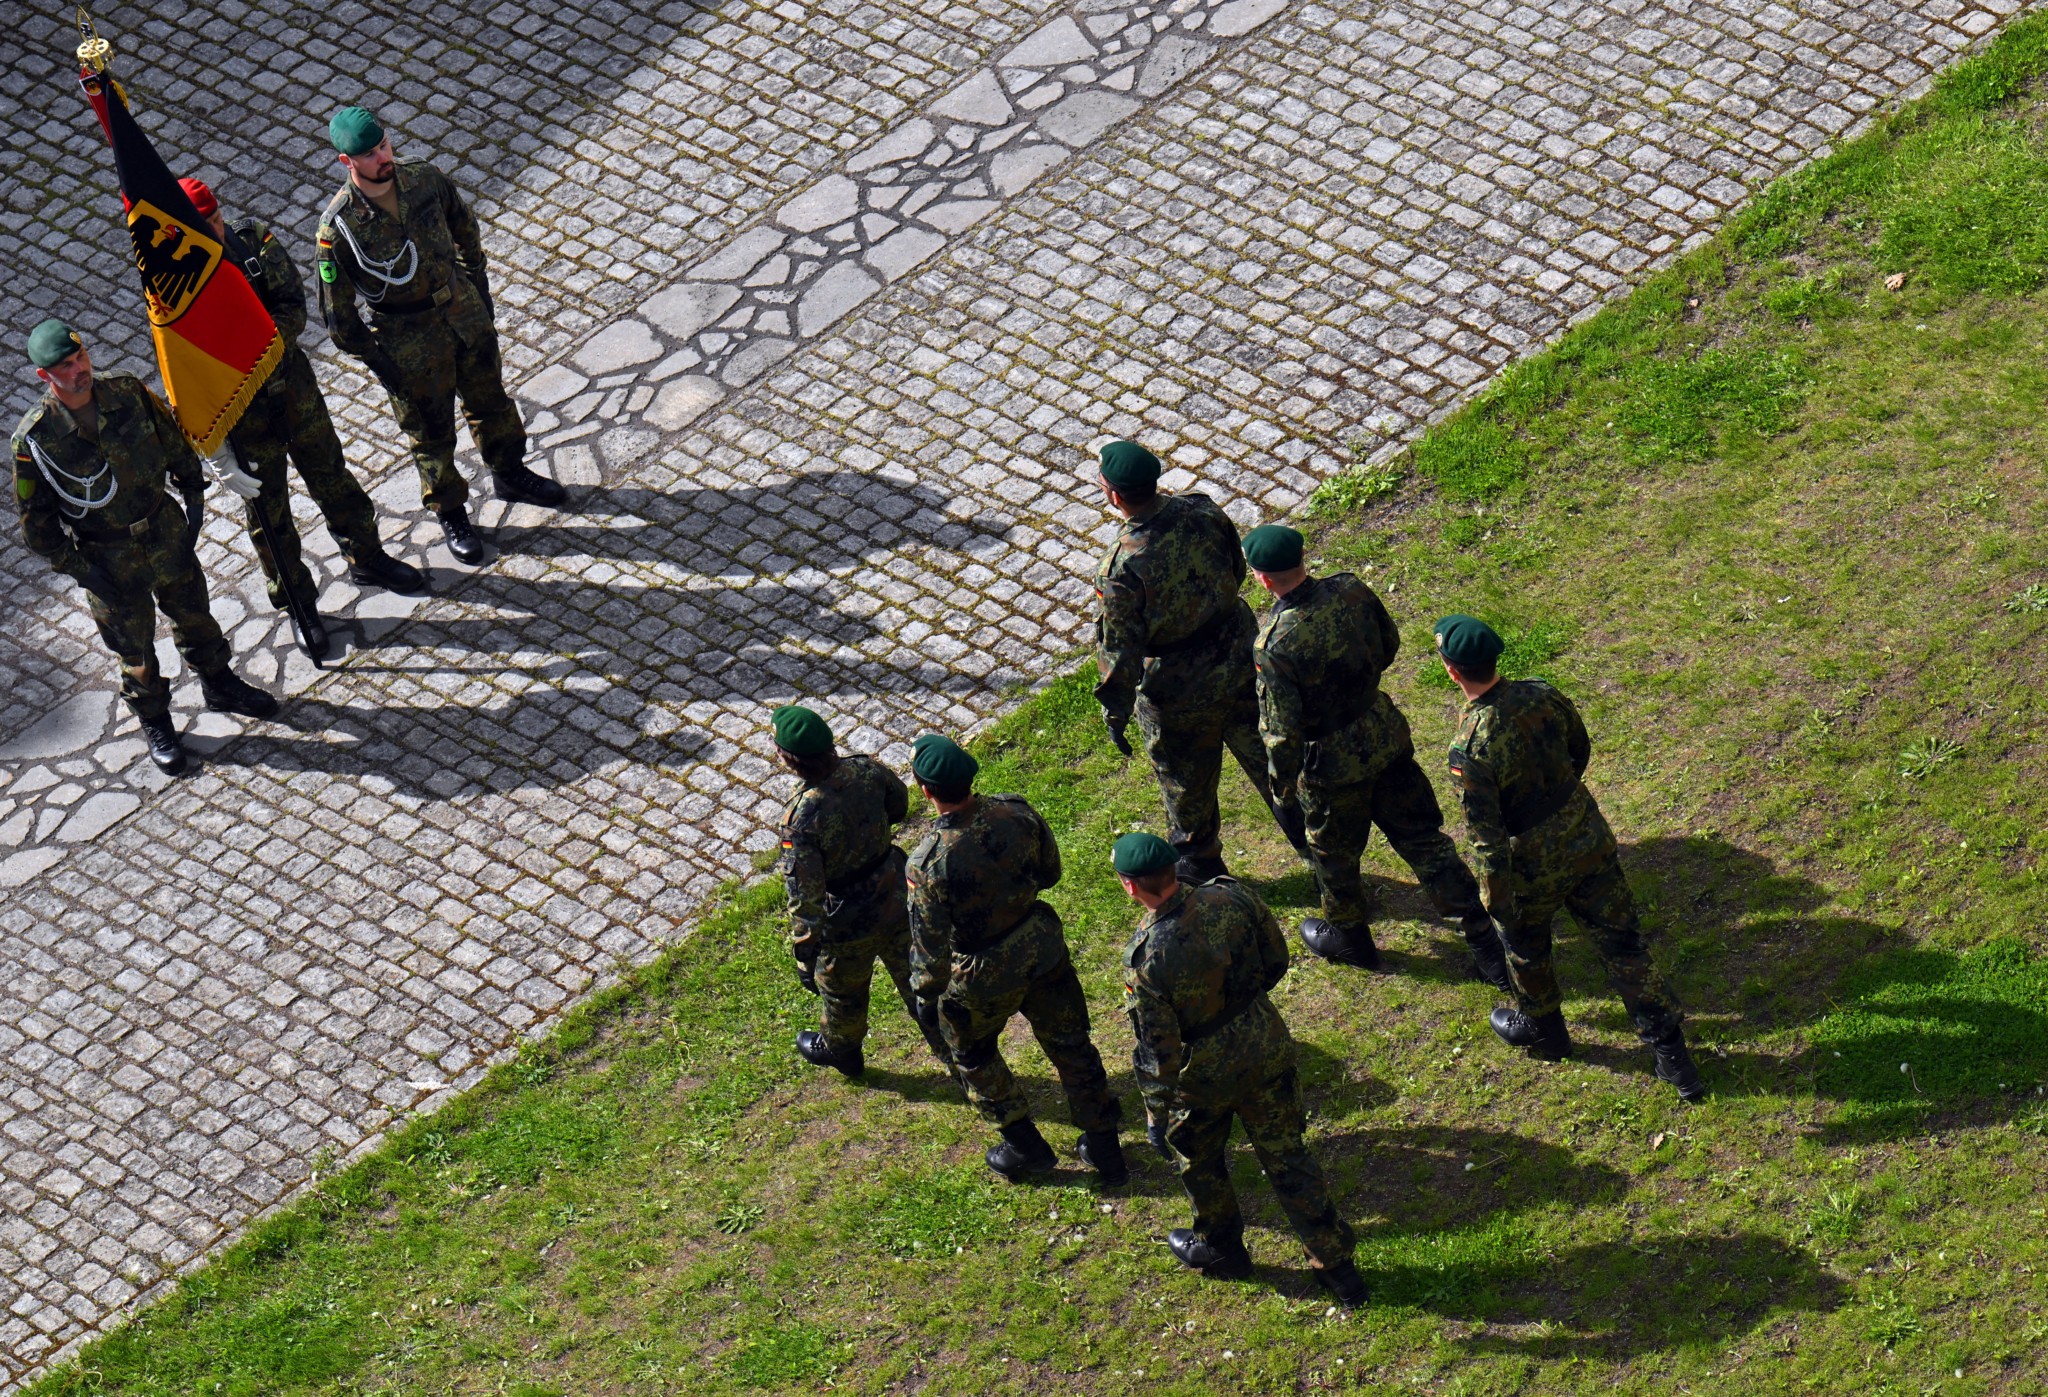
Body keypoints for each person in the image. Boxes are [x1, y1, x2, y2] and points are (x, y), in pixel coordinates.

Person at [1434, 614, 1705, 1101]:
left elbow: (1486, 836)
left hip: (1530, 864)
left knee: (1525, 948)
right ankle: (1674, 1057)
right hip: (1585, 836)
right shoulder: (1542, 693)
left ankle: (1547, 1034)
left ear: (1453, 672)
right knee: (1623, 947)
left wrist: (1496, 899)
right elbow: (1579, 748)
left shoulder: (1469, 747)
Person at [10, 320, 279, 775]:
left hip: (161, 528)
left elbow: (171, 441)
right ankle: (156, 721)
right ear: (44, 377)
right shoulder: (35, 442)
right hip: (107, 555)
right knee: (134, 648)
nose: (80, 370)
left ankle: (219, 683)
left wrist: (192, 494)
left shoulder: (126, 393)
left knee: (194, 612)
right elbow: (37, 523)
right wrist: (77, 567)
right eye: (66, 366)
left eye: (81, 357)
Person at [1243, 524, 1506, 984]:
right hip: (1382, 733)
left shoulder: (1273, 645)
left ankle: (1350, 937)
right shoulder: (1351, 589)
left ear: (1262, 578)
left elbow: (1282, 732)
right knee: (1423, 839)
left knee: (1334, 855)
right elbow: (1388, 644)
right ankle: (1485, 942)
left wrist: (1282, 787)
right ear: (1303, 556)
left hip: (1328, 765)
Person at [1113, 831, 1367, 1305]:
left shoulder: (1147, 960)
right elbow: (1276, 959)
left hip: (1202, 1076)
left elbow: (1157, 1052)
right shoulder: (1231, 896)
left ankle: (1221, 1248)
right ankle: (1337, 1268)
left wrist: (1155, 1115)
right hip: (1263, 1041)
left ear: (1131, 887)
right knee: (1289, 1155)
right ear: (1172, 870)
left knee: (1200, 1162)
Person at [177, 176, 426, 658]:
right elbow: (184, 364)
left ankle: (367, 556)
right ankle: (299, 603)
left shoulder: (251, 243)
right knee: (269, 515)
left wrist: (256, 347)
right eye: (198, 223)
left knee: (332, 476)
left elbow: (292, 303)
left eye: (212, 217)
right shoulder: (176, 283)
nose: (210, 228)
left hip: (292, 390)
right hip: (242, 415)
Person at [314, 105, 564, 566]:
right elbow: (337, 315)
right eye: (368, 155)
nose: (382, 158)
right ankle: (451, 511)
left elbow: (464, 227)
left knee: (491, 399)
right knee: (431, 432)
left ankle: (509, 471)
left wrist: (478, 287)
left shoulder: (423, 179)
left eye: (384, 145)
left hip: (460, 309)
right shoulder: (339, 228)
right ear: (346, 163)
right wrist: (379, 360)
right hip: (407, 335)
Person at [904, 734, 1125, 1184]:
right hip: (1041, 945)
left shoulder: (927, 865)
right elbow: (1051, 872)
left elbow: (930, 949)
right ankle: (1104, 1145)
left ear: (926, 791)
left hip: (980, 973)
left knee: (972, 1051)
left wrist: (926, 997)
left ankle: (1025, 1146)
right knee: (1070, 1042)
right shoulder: (1016, 812)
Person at [1091, 439, 1304, 884]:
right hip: (1239, 652)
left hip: (1176, 687)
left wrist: (1115, 707)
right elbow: (1235, 565)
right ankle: (1317, 846)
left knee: (1186, 782)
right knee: (1272, 756)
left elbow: (1119, 646)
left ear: (1112, 493)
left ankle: (1202, 865)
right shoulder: (1201, 510)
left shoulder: (1122, 566)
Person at [773, 703, 950, 1077]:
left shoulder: (800, 819)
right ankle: (957, 1053)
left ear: (788, 760)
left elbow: (805, 897)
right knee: (922, 981)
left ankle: (842, 1050)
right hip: (896, 891)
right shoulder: (866, 770)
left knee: (842, 995)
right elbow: (899, 805)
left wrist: (805, 953)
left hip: (846, 920)